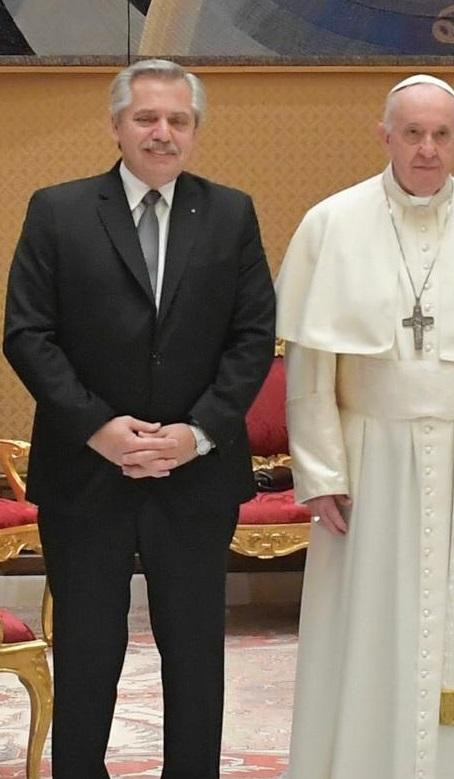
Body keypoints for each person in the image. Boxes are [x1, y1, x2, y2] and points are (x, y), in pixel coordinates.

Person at [275, 73, 454, 779]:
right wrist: (319, 472)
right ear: (385, 137)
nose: (427, 149)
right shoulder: (331, 223)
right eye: (412, 133)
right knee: (372, 626)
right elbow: (311, 369)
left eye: (441, 134)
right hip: (374, 462)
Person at [3, 59, 276, 778]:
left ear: (195, 130)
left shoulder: (230, 213)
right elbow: (28, 333)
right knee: (89, 653)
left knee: (194, 655)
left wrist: (195, 433)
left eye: (178, 120)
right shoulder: (57, 209)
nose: (162, 133)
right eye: (147, 118)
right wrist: (100, 428)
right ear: (117, 124)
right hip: (85, 474)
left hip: (196, 476)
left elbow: (254, 339)